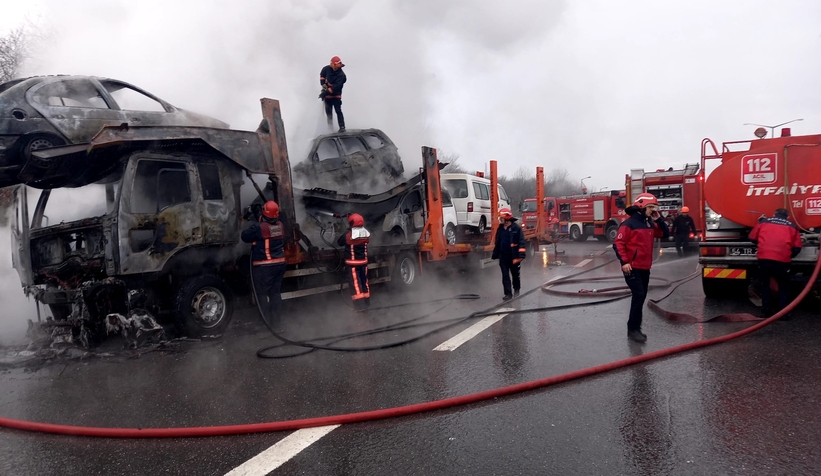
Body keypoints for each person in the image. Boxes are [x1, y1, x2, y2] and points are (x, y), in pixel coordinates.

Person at [613, 193, 668, 343]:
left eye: (654, 208)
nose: (653, 210)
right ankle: (633, 330)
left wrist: (659, 219)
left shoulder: (649, 223)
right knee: (639, 295)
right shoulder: (628, 225)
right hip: (632, 268)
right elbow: (618, 244)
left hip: (645, 267)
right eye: (651, 207)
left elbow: (665, 233)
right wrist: (624, 262)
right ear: (641, 207)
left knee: (641, 296)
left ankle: (635, 328)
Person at [748, 208, 802, 318]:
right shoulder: (792, 226)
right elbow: (797, 247)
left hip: (764, 259)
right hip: (782, 260)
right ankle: (783, 314)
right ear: (787, 217)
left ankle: (766, 312)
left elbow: (752, 238)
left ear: (774, 214)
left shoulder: (764, 222)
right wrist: (789, 255)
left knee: (765, 284)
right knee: (783, 286)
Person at [241, 201, 286, 327]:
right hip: (280, 264)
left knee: (261, 294)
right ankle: (276, 323)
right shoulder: (280, 225)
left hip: (265, 266)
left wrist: (256, 221)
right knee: (275, 293)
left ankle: (264, 323)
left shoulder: (260, 228)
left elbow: (244, 236)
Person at [492, 207, 527, 301]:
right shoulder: (500, 229)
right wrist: (496, 254)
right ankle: (508, 293)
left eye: (501, 217)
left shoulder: (517, 228)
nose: (500, 219)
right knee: (505, 275)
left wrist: (521, 256)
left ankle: (516, 291)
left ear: (507, 217)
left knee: (515, 275)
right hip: (503, 256)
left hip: (514, 257)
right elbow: (497, 241)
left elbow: (521, 242)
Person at [337, 213, 371, 310]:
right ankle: (366, 303)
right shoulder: (366, 234)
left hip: (353, 265)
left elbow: (340, 242)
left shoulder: (348, 235)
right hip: (363, 263)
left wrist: (347, 229)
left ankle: (359, 306)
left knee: (356, 285)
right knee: (365, 283)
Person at [319, 56, 347, 132]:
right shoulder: (326, 69)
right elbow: (322, 75)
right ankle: (330, 128)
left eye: (336, 66)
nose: (334, 68)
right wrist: (323, 84)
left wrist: (325, 92)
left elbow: (335, 87)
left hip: (336, 95)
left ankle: (342, 127)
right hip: (328, 96)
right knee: (328, 113)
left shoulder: (341, 75)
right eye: (333, 66)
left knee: (338, 110)